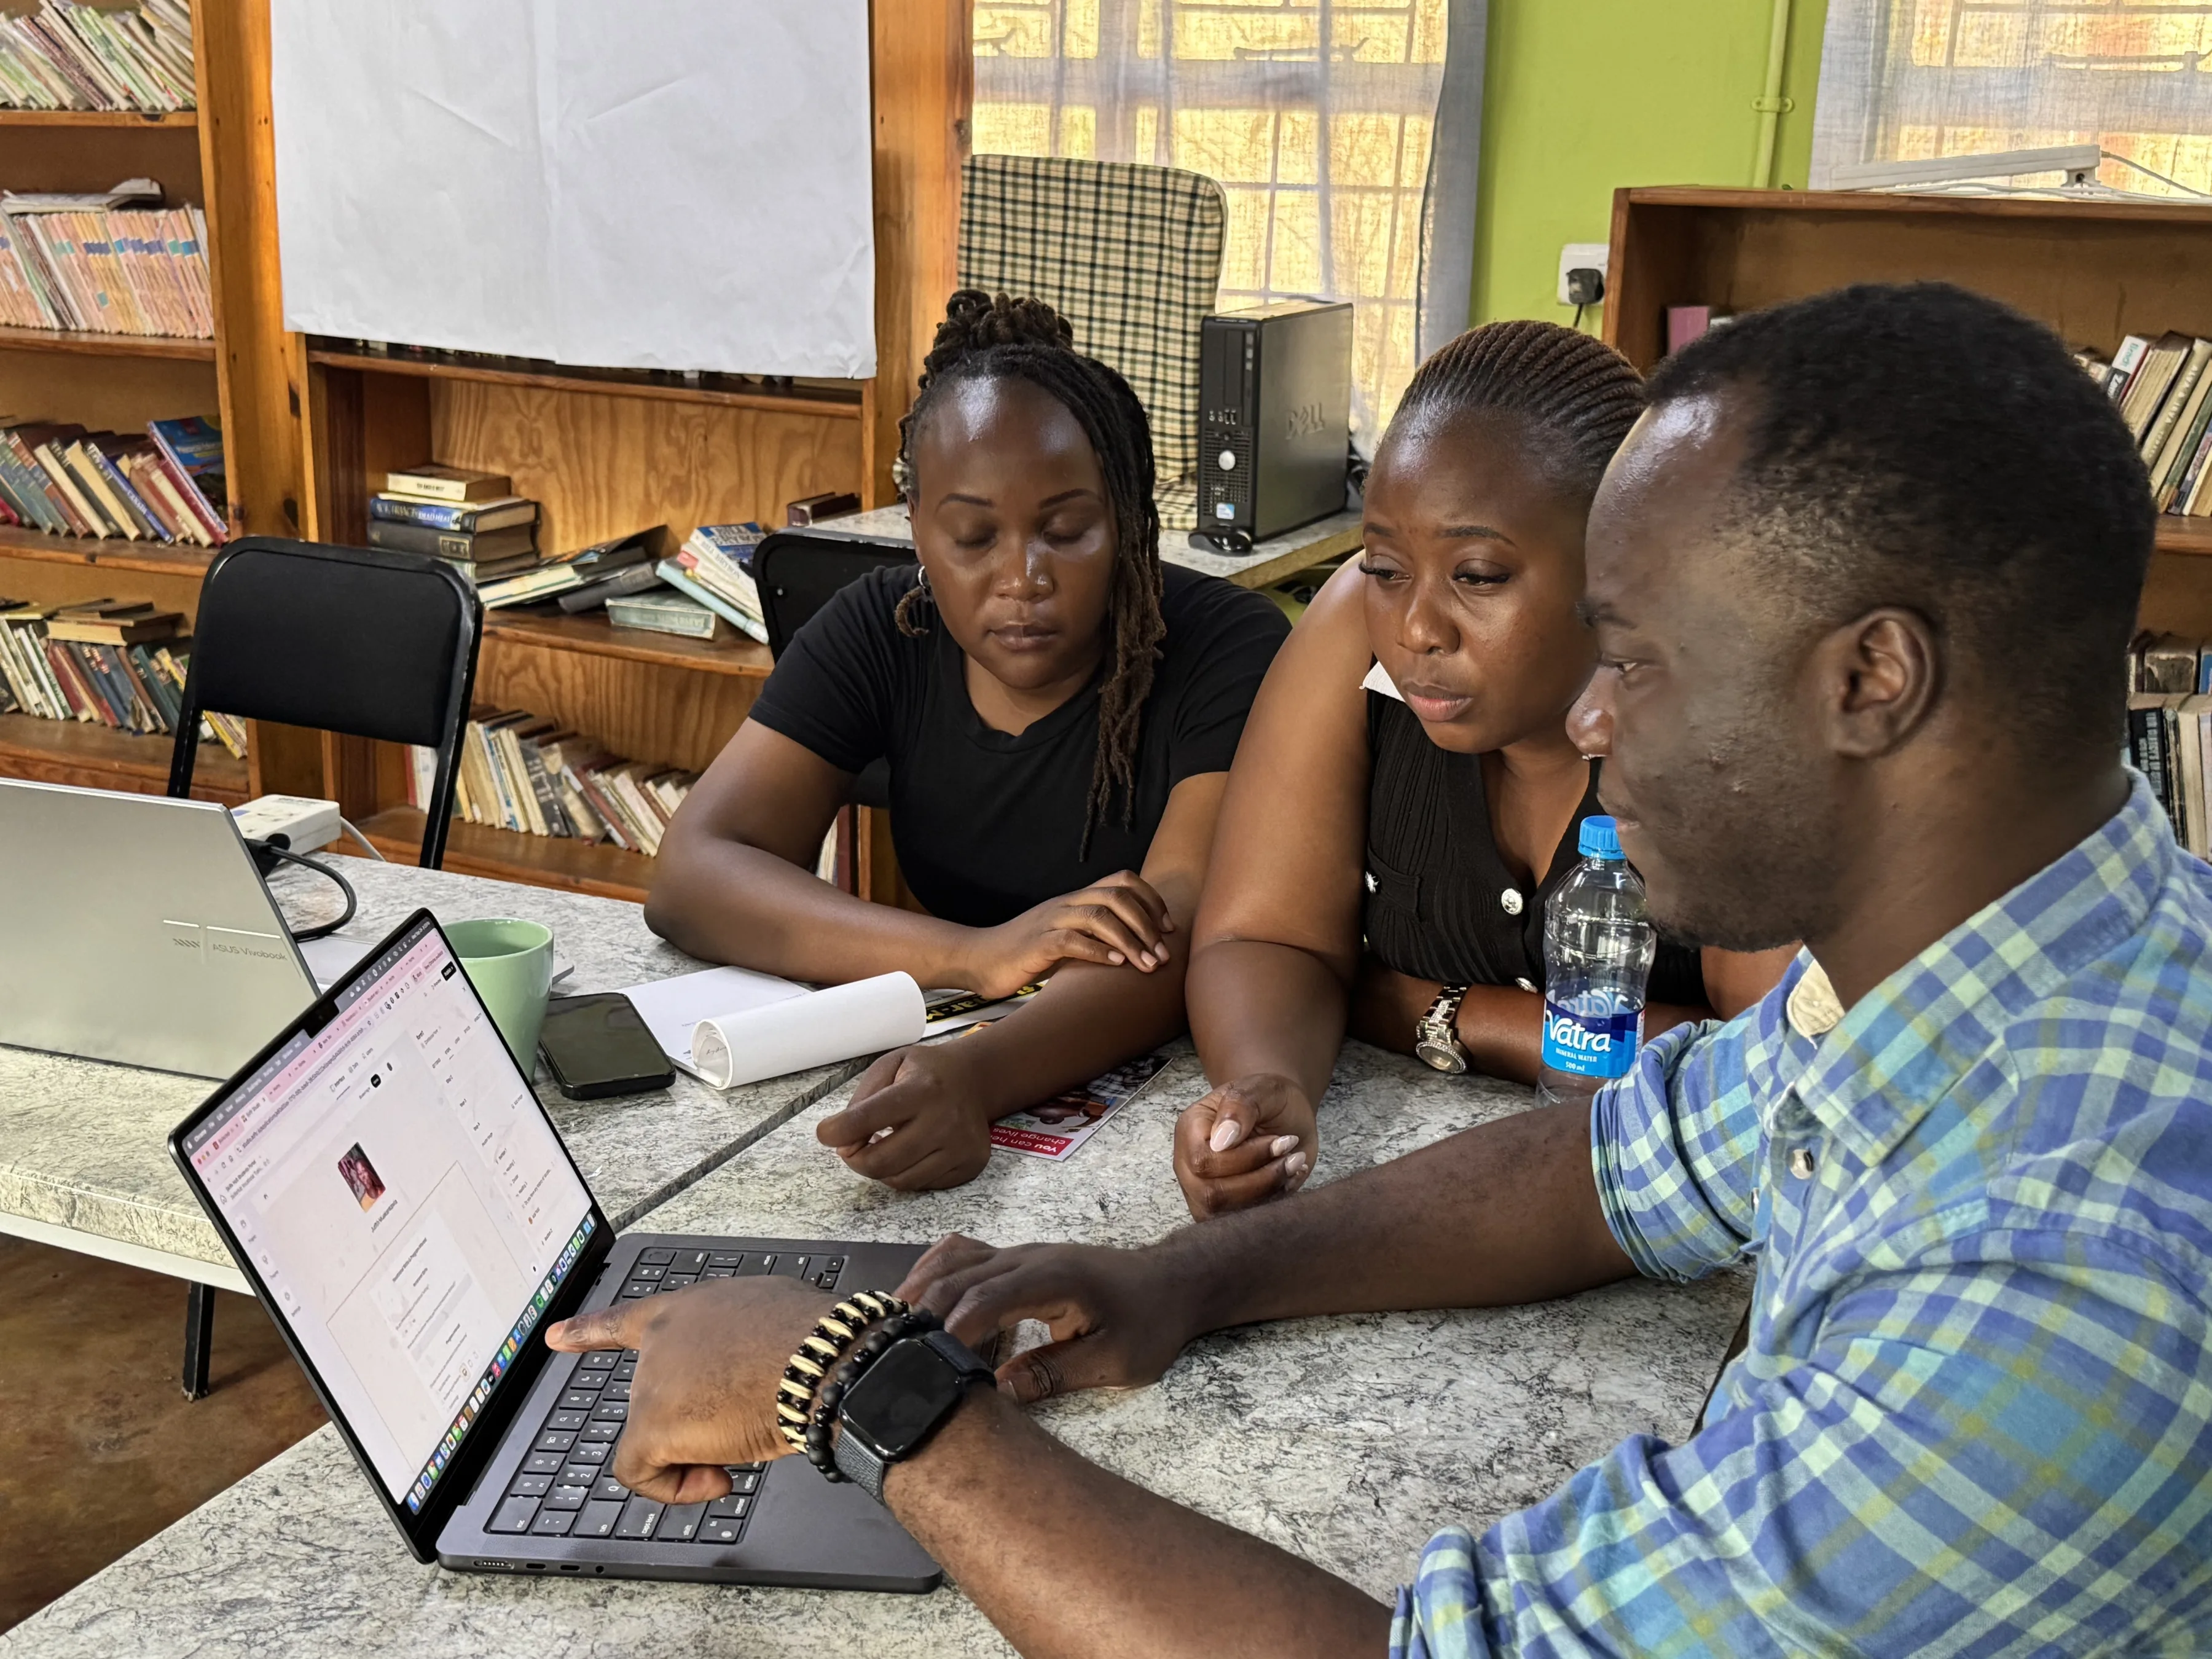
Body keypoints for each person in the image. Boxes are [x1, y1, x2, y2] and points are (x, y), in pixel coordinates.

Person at [552, 283, 2212, 1655]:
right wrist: (1181, 1280)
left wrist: (859, 1390)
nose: (1594, 713)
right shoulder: (2010, 967)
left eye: (1632, 652)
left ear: (1874, 679)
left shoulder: (2062, 1280)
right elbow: (1614, 1164)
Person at [646, 291, 1288, 1191]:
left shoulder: (1230, 649)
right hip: (951, 1031)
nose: (1020, 578)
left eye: (1065, 531)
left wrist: (981, 1077)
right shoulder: (883, 627)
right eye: (973, 537)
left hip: (1166, 1108)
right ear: (918, 534)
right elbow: (692, 874)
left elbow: (1178, 936)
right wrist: (976, 954)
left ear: (1132, 522)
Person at [1178, 321, 1792, 1215]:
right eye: (1388, 566)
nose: (1418, 626)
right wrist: (1269, 1088)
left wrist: (1450, 1015)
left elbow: (1775, 1066)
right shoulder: (1356, 631)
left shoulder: (1721, 722)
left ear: (1619, 568)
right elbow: (1262, 938)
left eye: (1478, 574)